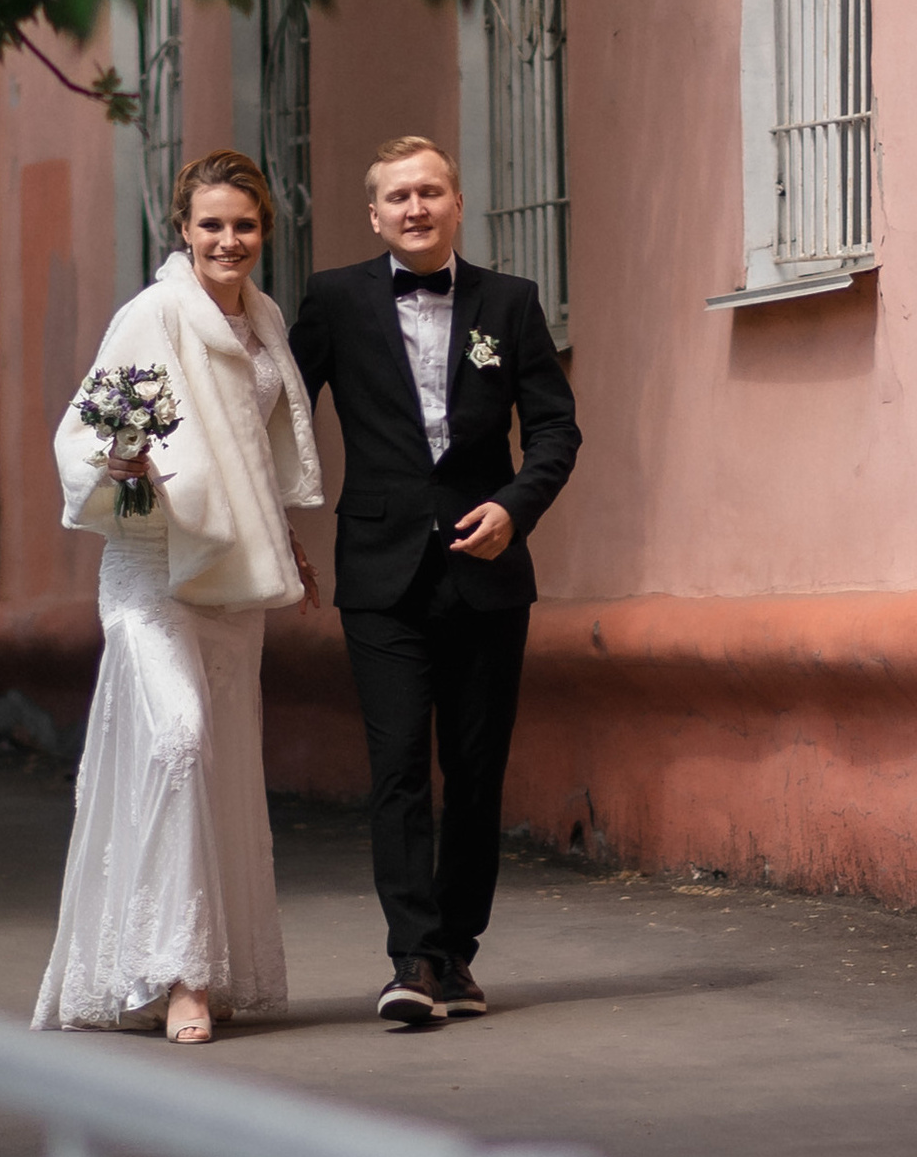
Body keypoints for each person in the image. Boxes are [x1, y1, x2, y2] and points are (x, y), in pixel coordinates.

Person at [288, 133, 580, 1032]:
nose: (415, 209)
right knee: (398, 767)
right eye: (397, 198)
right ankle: (410, 956)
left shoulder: (512, 303)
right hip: (379, 573)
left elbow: (558, 432)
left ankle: (456, 953)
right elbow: (276, 413)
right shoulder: (334, 300)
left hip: (487, 573)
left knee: (478, 769)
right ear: (374, 215)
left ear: (457, 203)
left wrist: (514, 508)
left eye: (430, 193)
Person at [33, 149, 323, 1044]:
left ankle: (211, 963)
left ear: (264, 230)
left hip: (235, 576)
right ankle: (175, 975)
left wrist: (288, 544)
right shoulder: (152, 315)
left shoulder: (266, 320)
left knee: (225, 760)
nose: (227, 239)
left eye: (243, 224)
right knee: (178, 740)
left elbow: (250, 454)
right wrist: (123, 467)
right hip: (154, 568)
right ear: (183, 230)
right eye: (211, 225)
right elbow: (91, 437)